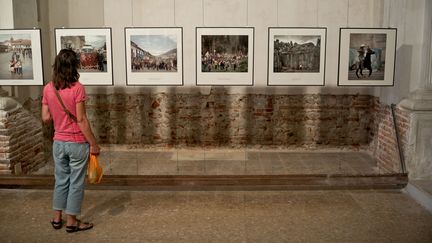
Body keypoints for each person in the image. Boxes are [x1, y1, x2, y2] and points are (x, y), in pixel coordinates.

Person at [41, 49, 100, 233]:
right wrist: (93, 143)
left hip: (58, 142)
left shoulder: (48, 88)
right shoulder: (77, 88)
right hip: (76, 143)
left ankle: (57, 218)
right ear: (74, 66)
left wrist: (56, 111)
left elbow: (45, 118)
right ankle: (72, 221)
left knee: (60, 180)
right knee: (75, 182)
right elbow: (81, 120)